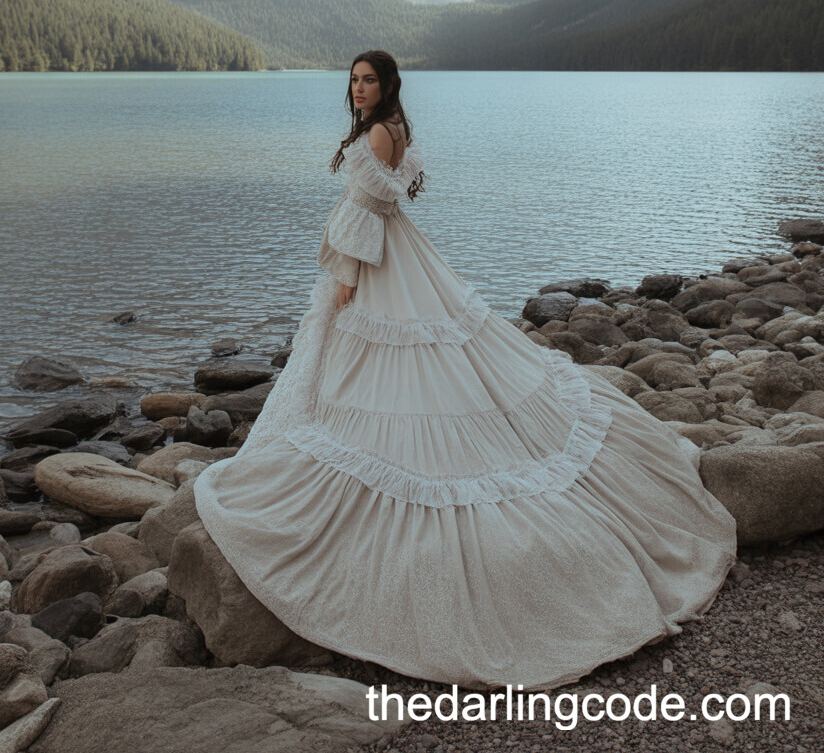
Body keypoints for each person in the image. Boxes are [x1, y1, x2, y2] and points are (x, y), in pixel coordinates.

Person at [193, 49, 738, 689]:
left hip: (377, 261)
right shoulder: (397, 127)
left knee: (386, 356)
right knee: (429, 352)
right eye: (354, 79)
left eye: (368, 80)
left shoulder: (375, 132)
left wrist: (343, 276)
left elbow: (364, 215)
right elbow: (381, 203)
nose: (358, 88)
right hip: (402, 254)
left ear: (386, 85)